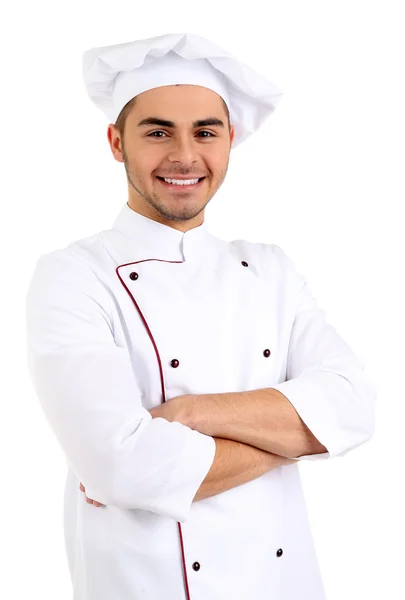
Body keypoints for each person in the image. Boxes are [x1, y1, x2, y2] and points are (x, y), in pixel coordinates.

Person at [25, 32, 376, 600]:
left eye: (205, 132)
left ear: (230, 139)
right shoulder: (73, 274)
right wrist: (298, 436)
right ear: (117, 142)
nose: (185, 156)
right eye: (157, 131)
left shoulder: (271, 270)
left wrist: (189, 414)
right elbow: (127, 469)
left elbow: (354, 405)